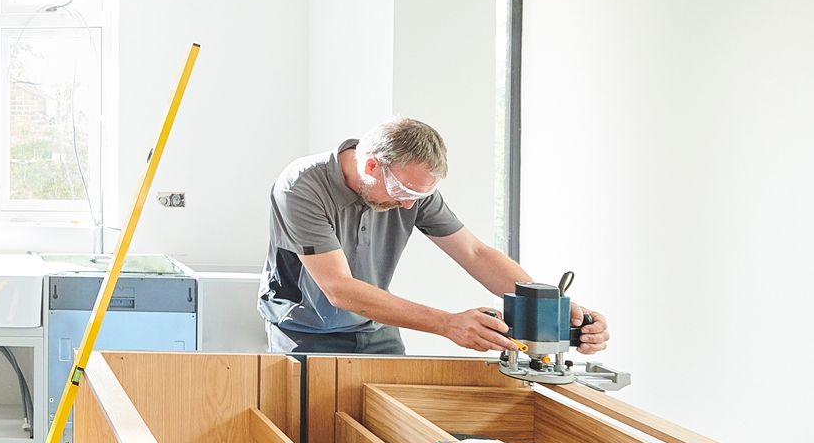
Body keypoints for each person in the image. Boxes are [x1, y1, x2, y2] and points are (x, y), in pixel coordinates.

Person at [258, 116, 609, 358]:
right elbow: (339, 289)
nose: (408, 203)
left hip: (375, 327)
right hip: (306, 332)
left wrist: (547, 307)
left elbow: (474, 253)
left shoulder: (411, 192)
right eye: (403, 190)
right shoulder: (301, 187)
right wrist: (447, 324)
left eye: (420, 195)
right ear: (370, 166)